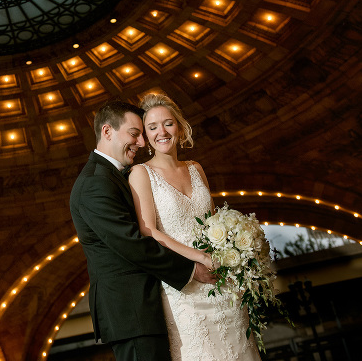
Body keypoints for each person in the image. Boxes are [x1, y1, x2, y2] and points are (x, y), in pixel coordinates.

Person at [69, 100, 216, 361]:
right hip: (132, 312)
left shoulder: (114, 175)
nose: (140, 143)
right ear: (107, 132)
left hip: (152, 308)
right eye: (134, 134)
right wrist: (192, 267)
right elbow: (132, 243)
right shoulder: (94, 182)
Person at [129, 93, 261, 360]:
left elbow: (214, 221)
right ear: (145, 136)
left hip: (222, 282)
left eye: (168, 123)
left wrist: (232, 258)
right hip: (184, 288)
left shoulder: (196, 168)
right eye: (152, 127)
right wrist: (199, 258)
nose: (161, 132)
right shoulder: (141, 173)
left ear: (179, 126)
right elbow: (148, 231)